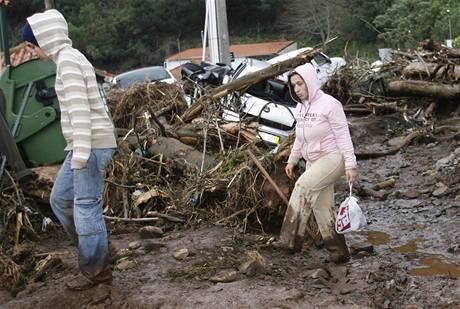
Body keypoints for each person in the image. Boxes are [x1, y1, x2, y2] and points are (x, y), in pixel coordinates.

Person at [22, 9, 117, 290]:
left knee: (86, 207)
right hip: (83, 146)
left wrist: (81, 154)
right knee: (60, 200)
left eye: (31, 45)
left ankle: (96, 270)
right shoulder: (68, 59)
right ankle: (98, 249)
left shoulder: (68, 63)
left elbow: (80, 111)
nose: (31, 52)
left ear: (45, 39)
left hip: (90, 146)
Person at [277, 63, 358, 263]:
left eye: (300, 84)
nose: (296, 89)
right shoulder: (301, 108)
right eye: (293, 85)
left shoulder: (330, 104)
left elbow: (343, 135)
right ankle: (339, 252)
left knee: (302, 186)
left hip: (332, 158)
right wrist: (293, 159)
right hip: (312, 161)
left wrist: (350, 164)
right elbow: (299, 137)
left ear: (311, 82)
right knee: (323, 208)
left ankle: (289, 241)